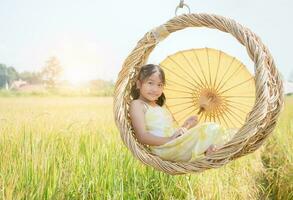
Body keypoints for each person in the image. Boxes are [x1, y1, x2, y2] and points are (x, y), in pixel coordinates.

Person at [129, 64, 236, 162]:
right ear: (139, 84)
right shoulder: (138, 104)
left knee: (222, 131)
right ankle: (205, 153)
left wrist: (186, 125)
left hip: (174, 144)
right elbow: (142, 136)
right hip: (164, 149)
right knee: (211, 128)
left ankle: (209, 151)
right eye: (150, 83)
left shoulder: (160, 107)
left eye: (159, 85)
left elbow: (170, 132)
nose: (155, 89)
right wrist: (169, 140)